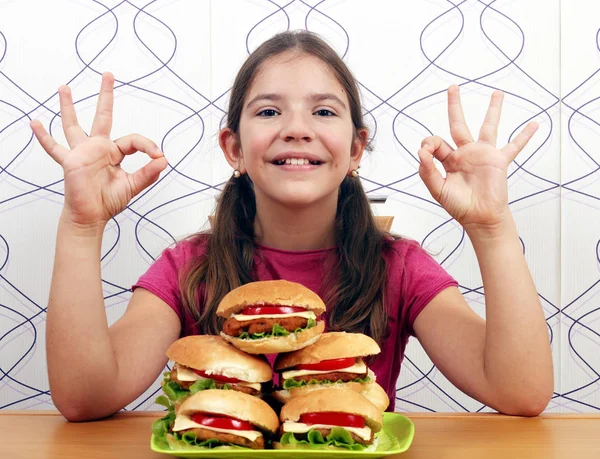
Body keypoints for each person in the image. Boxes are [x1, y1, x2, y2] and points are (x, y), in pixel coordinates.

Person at [31, 31, 553, 422]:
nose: (297, 129)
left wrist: (491, 226)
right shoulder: (189, 267)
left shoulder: (400, 267)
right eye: (269, 111)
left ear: (355, 150)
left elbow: (520, 391)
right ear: (234, 148)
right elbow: (85, 397)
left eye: (324, 111)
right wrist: (82, 226)